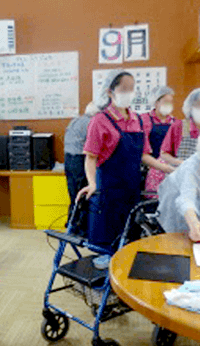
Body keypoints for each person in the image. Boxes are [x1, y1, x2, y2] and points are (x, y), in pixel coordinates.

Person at [77, 70, 173, 252]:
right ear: (110, 92)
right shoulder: (100, 120)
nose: (129, 92)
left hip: (132, 188)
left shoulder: (137, 119)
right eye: (124, 88)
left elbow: (143, 156)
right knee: (107, 245)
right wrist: (91, 183)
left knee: (129, 241)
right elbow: (91, 157)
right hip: (108, 190)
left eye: (132, 88)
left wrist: (168, 169)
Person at [64, 101, 100, 235]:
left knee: (74, 194)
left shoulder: (75, 120)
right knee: (84, 194)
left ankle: (71, 225)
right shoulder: (91, 123)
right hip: (80, 161)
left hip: (68, 160)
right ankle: (81, 229)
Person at [161, 87, 200, 165]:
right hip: (181, 173)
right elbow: (164, 154)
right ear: (191, 106)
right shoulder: (182, 126)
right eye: (199, 105)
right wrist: (181, 163)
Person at [142, 86, 180, 193]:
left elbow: (185, 146)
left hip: (172, 169)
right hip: (151, 169)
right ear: (156, 102)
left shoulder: (177, 122)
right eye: (165, 102)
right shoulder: (144, 120)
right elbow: (141, 148)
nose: (169, 105)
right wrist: (155, 165)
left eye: (170, 102)